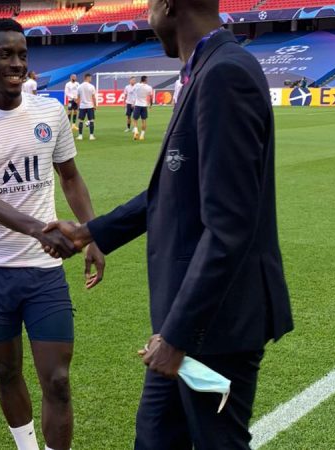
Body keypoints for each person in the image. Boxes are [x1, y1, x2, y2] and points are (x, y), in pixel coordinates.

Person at [43, 0, 294, 447]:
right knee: (155, 438)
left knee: (217, 442)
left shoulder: (224, 74)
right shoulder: (205, 69)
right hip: (189, 320)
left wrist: (178, 335)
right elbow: (175, 193)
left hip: (213, 325)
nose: (145, 17)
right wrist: (90, 232)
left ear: (168, 6)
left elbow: (229, 225)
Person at [0, 18, 104, 450]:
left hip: (44, 273)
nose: (17, 64)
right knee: (5, 372)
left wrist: (91, 234)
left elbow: (70, 177)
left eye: (23, 55)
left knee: (58, 379)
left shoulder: (50, 112)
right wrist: (41, 230)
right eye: (5, 55)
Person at [131, 75, 153, 141]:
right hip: (144, 105)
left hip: (137, 105)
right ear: (146, 80)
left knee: (135, 120)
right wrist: (150, 105)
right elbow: (151, 97)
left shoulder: (137, 85)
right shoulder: (149, 87)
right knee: (144, 120)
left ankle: (136, 131)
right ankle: (142, 135)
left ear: (141, 80)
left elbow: (133, 91)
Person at [76, 73, 96, 141]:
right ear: (87, 78)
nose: (91, 79)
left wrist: (78, 106)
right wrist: (95, 105)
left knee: (80, 121)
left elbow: (78, 98)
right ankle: (91, 136)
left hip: (82, 106)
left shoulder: (79, 86)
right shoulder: (92, 86)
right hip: (90, 106)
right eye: (90, 78)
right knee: (91, 121)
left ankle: (80, 136)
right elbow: (93, 97)